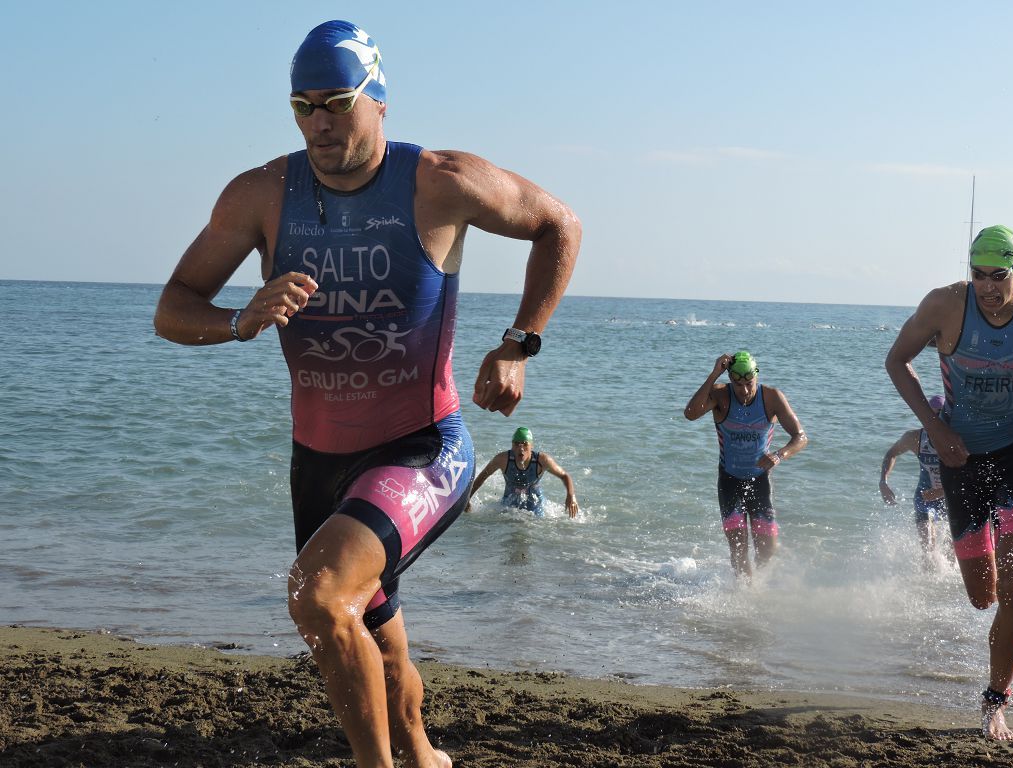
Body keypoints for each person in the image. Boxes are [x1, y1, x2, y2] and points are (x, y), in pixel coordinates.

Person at [153, 20, 580, 768]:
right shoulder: (261, 195)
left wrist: (519, 345)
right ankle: (421, 752)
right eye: (303, 105)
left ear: (378, 99)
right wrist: (239, 320)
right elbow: (173, 308)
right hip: (318, 464)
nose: (319, 122)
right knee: (370, 633)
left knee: (318, 598)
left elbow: (558, 225)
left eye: (337, 101)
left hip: (421, 450)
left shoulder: (440, 182)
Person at [886, 224, 1013, 740]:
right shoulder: (945, 306)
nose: (989, 286)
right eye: (979, 275)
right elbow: (896, 361)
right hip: (960, 458)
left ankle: (995, 702)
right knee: (982, 595)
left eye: (1000, 276)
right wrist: (935, 426)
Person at [683, 351, 808, 580]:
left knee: (767, 549)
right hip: (729, 480)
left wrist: (779, 455)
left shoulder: (771, 398)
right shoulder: (720, 395)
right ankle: (744, 595)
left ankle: (759, 585)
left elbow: (800, 437)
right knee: (738, 549)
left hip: (759, 480)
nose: (745, 390)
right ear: (730, 379)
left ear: (756, 375)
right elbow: (690, 414)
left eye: (749, 383)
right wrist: (713, 375)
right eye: (738, 384)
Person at [878, 394, 949, 559]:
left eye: (940, 414)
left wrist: (941, 492)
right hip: (924, 498)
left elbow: (970, 475)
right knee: (928, 549)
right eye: (931, 414)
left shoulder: (955, 440)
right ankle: (924, 583)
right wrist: (883, 481)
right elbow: (891, 453)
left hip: (950, 499)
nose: (935, 419)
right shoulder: (915, 438)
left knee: (952, 553)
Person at [467, 427, 579, 517]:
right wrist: (467, 500)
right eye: (517, 444)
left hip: (535, 505)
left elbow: (564, 476)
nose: (521, 449)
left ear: (531, 446)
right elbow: (482, 477)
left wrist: (571, 496)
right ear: (512, 445)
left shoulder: (542, 460)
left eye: (525, 444)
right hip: (508, 505)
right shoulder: (502, 459)